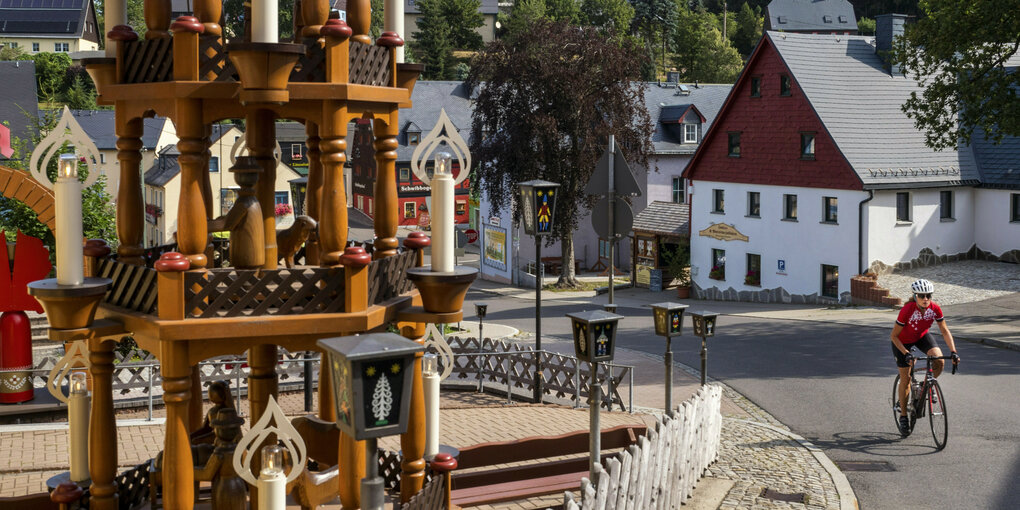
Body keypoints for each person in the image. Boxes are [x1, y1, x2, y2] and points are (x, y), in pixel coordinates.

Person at [890, 279, 960, 435]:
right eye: (921, 295)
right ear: (915, 296)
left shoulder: (935, 309)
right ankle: (903, 416)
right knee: (906, 379)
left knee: (939, 361)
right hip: (901, 342)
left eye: (928, 295)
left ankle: (924, 386)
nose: (925, 298)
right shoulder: (907, 310)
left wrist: (953, 351)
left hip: (921, 337)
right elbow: (893, 336)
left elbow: (944, 331)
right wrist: (906, 353)